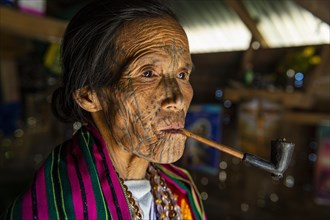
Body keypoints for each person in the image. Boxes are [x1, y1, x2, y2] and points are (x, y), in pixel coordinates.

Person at [5, 0, 206, 219]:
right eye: (148, 73)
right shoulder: (57, 209)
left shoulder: (182, 192)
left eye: (182, 75)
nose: (177, 99)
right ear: (89, 96)